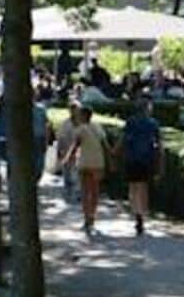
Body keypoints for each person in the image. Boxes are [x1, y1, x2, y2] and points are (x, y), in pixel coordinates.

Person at [117, 98, 164, 236]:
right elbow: (160, 145)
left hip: (132, 159)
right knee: (143, 188)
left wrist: (114, 152)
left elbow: (123, 139)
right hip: (146, 159)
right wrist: (161, 164)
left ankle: (137, 212)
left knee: (133, 187)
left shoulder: (131, 122)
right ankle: (142, 213)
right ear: (148, 109)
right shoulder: (153, 124)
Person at [71, 107, 109, 236]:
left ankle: (86, 217)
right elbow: (105, 145)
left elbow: (75, 146)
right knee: (95, 192)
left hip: (84, 163)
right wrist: (112, 157)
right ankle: (92, 216)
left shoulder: (80, 129)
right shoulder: (98, 128)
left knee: (85, 191)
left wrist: (67, 159)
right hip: (98, 162)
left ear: (83, 116)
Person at [52, 102, 83, 205]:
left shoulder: (83, 123)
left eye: (76, 109)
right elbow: (60, 138)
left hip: (80, 153)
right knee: (67, 174)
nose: (75, 112)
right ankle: (68, 194)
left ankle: (77, 194)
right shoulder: (65, 124)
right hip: (66, 152)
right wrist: (59, 152)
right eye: (72, 109)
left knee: (76, 174)